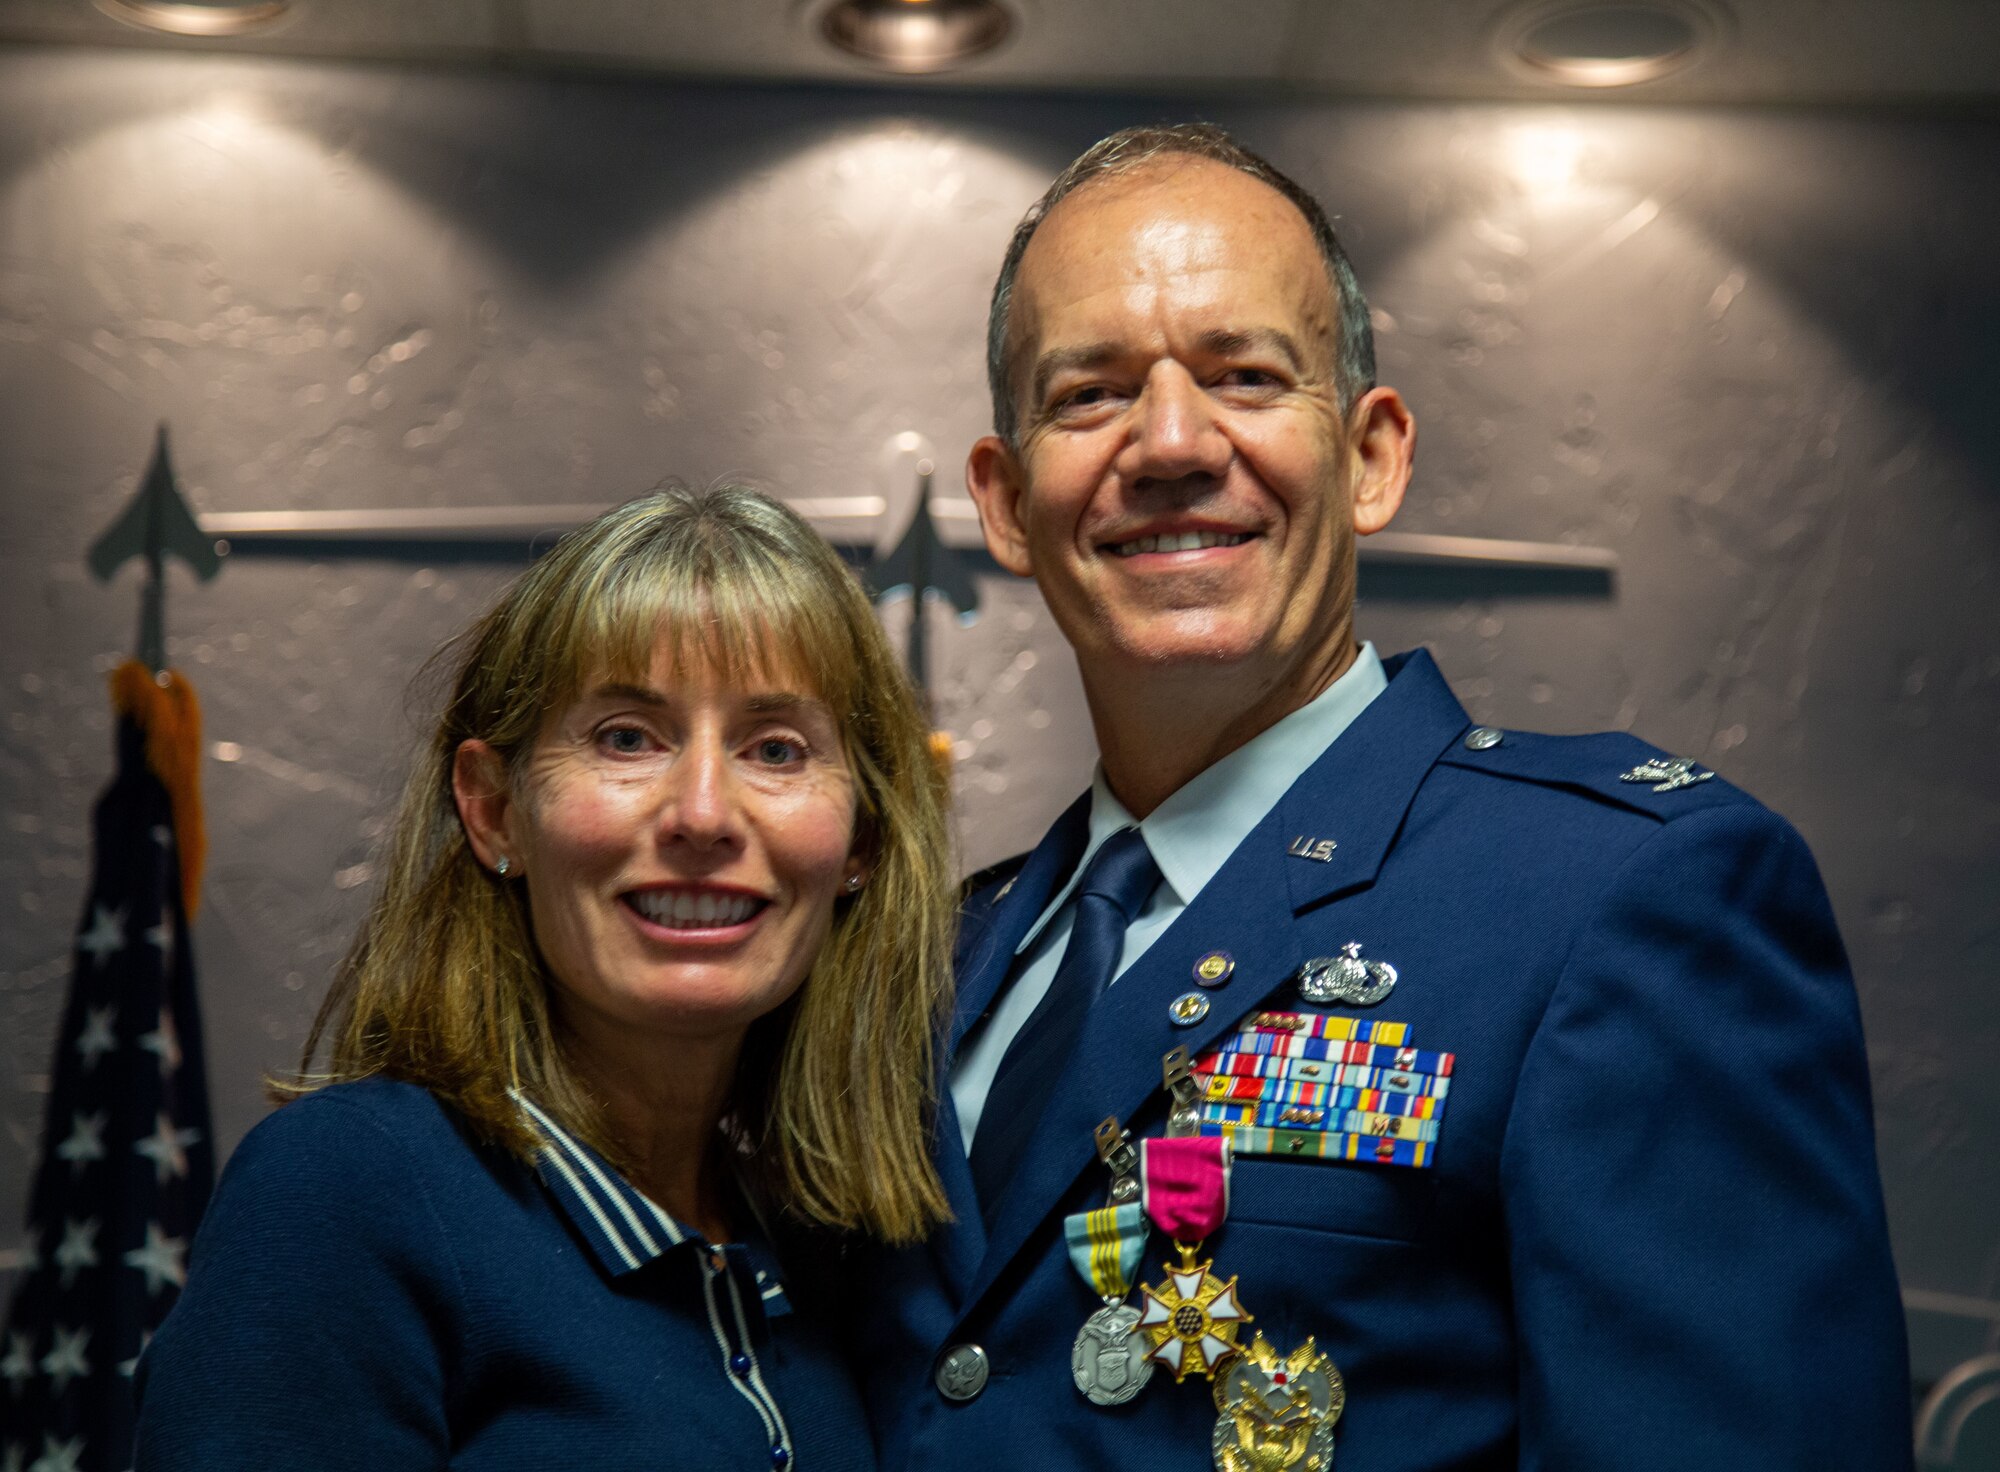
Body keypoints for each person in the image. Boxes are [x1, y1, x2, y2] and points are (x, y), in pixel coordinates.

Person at [841, 125, 1913, 1470]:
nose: (1171, 442)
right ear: (1003, 501)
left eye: (1244, 375)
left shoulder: (1619, 898)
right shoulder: (938, 959)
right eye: (1090, 395)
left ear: (1372, 458)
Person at [135, 486, 956, 1470]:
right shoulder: (344, 1194)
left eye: (774, 749)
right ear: (493, 811)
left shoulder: (827, 1251)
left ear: (860, 840)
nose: (702, 812)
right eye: (625, 737)